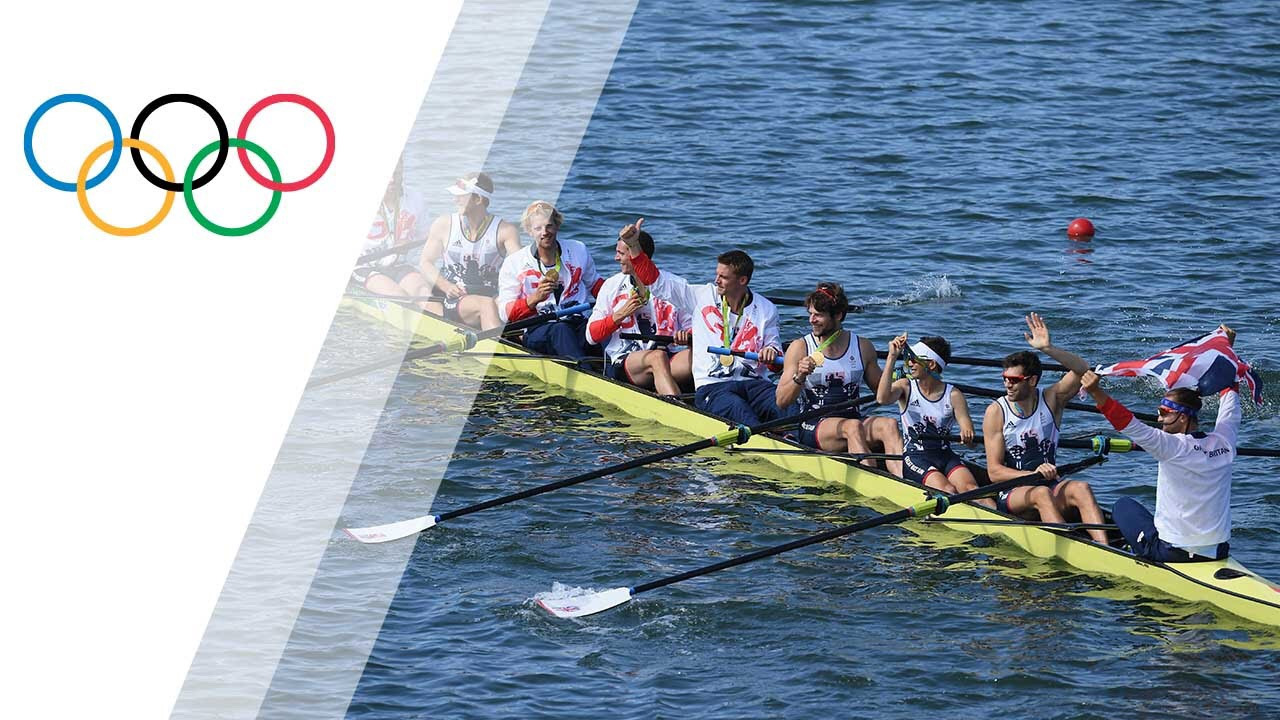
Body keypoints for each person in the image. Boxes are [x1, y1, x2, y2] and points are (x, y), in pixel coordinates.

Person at [1079, 325, 1240, 562]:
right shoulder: (1225, 441)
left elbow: (1127, 423)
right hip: (1219, 550)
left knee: (1123, 506)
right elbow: (1230, 398)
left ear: (1183, 417)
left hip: (1172, 554)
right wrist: (1225, 352)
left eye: (1164, 412)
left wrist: (1095, 392)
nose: (1159, 419)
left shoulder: (1171, 447)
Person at [619, 218, 784, 426]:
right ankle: (761, 436)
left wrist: (771, 353)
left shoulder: (767, 309)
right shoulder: (701, 296)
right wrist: (634, 246)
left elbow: (776, 361)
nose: (716, 281)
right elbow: (655, 281)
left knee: (786, 405)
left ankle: (793, 435)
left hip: (755, 384)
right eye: (717, 274)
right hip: (713, 386)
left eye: (723, 277)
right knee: (741, 413)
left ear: (742, 280)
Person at [982, 313, 1109, 544]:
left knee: (1081, 488)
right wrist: (1033, 475)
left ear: (1031, 381)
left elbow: (1083, 369)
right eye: (1005, 378)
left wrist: (1047, 348)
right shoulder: (996, 412)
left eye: (1014, 380)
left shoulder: (1052, 399)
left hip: (1050, 485)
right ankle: (1070, 548)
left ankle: (1104, 548)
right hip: (1013, 493)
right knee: (1041, 494)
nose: (1007, 384)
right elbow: (994, 472)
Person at [775, 282, 903, 472]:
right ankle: (872, 479)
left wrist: (896, 366)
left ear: (838, 315)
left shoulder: (862, 346)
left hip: (853, 420)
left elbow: (883, 396)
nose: (811, 320)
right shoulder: (800, 347)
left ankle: (903, 480)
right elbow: (781, 401)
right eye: (810, 314)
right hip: (814, 425)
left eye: (818, 315)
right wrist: (800, 376)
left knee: (889, 424)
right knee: (852, 427)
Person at [586, 228, 693, 397]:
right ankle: (677, 405)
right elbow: (591, 336)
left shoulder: (672, 285)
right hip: (626, 361)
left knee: (701, 355)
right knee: (657, 357)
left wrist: (687, 337)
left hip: (667, 356)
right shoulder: (611, 286)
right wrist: (620, 314)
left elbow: (693, 327)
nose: (616, 258)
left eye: (621, 254)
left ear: (637, 255)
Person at [876, 333, 980, 496]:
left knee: (972, 490)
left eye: (914, 359)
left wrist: (968, 438)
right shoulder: (905, 387)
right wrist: (892, 357)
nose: (909, 363)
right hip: (915, 457)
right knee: (948, 490)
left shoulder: (954, 395)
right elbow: (882, 399)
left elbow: (972, 443)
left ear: (931, 364)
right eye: (909, 359)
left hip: (945, 455)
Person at [497, 200, 603, 358]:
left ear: (557, 225)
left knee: (600, 327)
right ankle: (584, 368)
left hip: (576, 321)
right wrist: (535, 298)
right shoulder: (514, 263)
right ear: (529, 231)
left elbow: (595, 285)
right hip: (537, 328)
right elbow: (504, 314)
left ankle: (616, 366)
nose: (545, 232)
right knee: (561, 330)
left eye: (549, 226)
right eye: (538, 228)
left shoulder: (578, 250)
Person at [419, 172, 522, 330]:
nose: (455, 200)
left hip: (491, 294)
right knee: (486, 305)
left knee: (514, 306)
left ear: (478, 199)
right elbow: (425, 263)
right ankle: (495, 344)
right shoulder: (444, 224)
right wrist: (446, 286)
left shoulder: (506, 231)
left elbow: (521, 270)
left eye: (461, 196)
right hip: (455, 296)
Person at [353, 159, 433, 308]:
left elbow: (426, 235)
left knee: (424, 293)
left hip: (399, 264)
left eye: (396, 174)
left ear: (402, 171)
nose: (392, 180)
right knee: (399, 296)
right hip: (364, 266)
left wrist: (409, 244)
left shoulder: (415, 199)